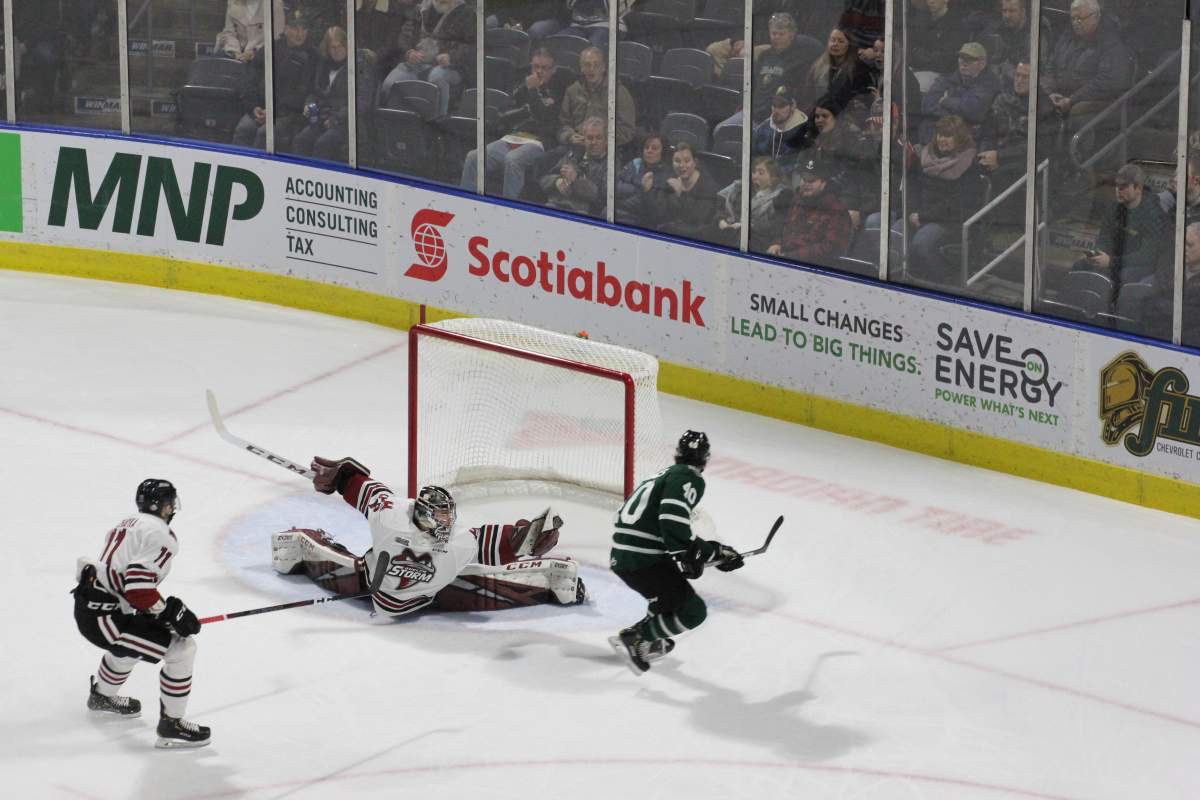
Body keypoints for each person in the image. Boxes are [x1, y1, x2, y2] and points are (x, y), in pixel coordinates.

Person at [272, 457, 586, 615]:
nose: (447, 523)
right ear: (422, 515)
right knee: (476, 583)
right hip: (393, 588)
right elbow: (499, 545)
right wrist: (521, 542)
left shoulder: (398, 517)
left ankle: (303, 545)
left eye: (449, 516)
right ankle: (305, 543)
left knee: (474, 580)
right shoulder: (394, 514)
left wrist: (525, 539)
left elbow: (354, 484)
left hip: (388, 590)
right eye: (441, 517)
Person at [71, 480, 210, 748]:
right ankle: (172, 725)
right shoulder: (162, 534)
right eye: (171, 503)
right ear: (165, 506)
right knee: (182, 649)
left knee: (134, 643)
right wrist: (164, 613)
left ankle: (102, 696)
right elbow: (137, 585)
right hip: (108, 620)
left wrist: (159, 613)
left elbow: (126, 581)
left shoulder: (126, 523)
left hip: (95, 609)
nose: (172, 508)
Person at [608, 431, 744, 675]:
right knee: (693, 612)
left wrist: (713, 552)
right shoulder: (687, 477)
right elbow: (671, 519)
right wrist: (692, 552)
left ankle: (647, 637)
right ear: (705, 458)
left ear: (678, 453)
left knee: (667, 601)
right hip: (643, 559)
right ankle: (639, 637)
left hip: (625, 556)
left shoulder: (663, 474)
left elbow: (665, 526)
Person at [460, 48, 572, 199]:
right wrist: (525, 94)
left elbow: (545, 119)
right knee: (473, 157)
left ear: (554, 69)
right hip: (514, 137)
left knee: (513, 159)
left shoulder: (561, 90)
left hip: (539, 142)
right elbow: (505, 113)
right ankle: (467, 202)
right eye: (536, 67)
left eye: (544, 68)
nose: (539, 71)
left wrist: (533, 92)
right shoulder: (523, 85)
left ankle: (510, 210)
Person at [1073, 162, 1172, 304]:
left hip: (1143, 267)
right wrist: (1098, 254)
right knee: (1079, 266)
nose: (1118, 190)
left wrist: (1112, 261)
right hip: (1115, 260)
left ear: (1138, 188)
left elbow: (1147, 256)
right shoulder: (1114, 208)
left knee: (1121, 276)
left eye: (1124, 187)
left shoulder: (1154, 214)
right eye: (1116, 186)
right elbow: (1104, 238)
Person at [233, 10, 318, 150]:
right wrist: (253, 106)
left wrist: (273, 111)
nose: (300, 33)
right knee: (244, 128)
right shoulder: (271, 48)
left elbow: (303, 93)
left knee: (264, 134)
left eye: (304, 29)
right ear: (286, 29)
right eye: (295, 28)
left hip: (288, 114)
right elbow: (251, 80)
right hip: (260, 110)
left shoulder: (312, 57)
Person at [379, 0, 475, 117]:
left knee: (437, 78)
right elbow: (404, 37)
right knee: (390, 84)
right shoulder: (420, 9)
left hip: (449, 66)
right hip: (415, 63)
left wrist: (451, 57)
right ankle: (395, 124)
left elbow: (473, 46)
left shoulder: (467, 13)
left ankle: (440, 123)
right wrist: (409, 52)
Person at [770, 157, 853, 266]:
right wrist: (777, 244)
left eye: (811, 180)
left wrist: (791, 256)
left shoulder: (837, 210)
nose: (806, 184)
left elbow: (830, 249)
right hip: (785, 259)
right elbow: (782, 227)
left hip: (815, 268)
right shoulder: (796, 200)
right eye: (804, 179)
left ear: (824, 183)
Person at [919, 41, 1001, 142]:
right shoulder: (946, 79)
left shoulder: (989, 84)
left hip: (965, 141)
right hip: (933, 137)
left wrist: (946, 101)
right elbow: (926, 105)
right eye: (961, 57)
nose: (964, 62)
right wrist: (959, 115)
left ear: (982, 64)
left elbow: (974, 111)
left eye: (970, 59)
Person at [292, 26, 350, 161]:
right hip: (322, 118)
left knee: (322, 144)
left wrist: (336, 119)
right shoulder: (323, 66)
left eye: (340, 46)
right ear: (327, 49)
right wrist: (309, 104)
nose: (337, 51)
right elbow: (314, 92)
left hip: (344, 121)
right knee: (300, 140)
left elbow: (360, 103)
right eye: (332, 48)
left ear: (347, 46)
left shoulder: (356, 67)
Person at [716, 156, 793, 252]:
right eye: (754, 172)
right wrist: (721, 219)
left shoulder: (781, 197)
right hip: (728, 229)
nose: (754, 176)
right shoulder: (739, 186)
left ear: (773, 178)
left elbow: (774, 227)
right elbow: (719, 200)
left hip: (756, 241)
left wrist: (743, 226)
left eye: (761, 173)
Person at [647, 143, 721, 241]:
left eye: (687, 161)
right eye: (677, 161)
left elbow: (698, 219)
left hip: (695, 238)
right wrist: (647, 191)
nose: (682, 165)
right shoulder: (669, 179)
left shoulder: (708, 185)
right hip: (667, 233)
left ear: (695, 162)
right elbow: (658, 213)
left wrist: (680, 193)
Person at [539, 117, 608, 216]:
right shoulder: (573, 155)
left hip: (581, 214)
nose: (594, 142)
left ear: (606, 140)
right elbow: (543, 180)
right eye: (589, 138)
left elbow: (602, 199)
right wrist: (556, 181)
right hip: (554, 206)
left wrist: (576, 179)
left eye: (598, 138)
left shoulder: (610, 164)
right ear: (583, 139)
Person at [616, 133, 673, 225]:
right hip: (622, 211)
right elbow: (616, 186)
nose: (649, 151)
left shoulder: (667, 175)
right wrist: (637, 189)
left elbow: (655, 211)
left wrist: (643, 192)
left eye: (654, 148)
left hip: (644, 222)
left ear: (663, 151)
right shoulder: (635, 163)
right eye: (646, 147)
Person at [751, 85, 809, 177]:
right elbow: (753, 155)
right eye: (774, 105)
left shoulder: (804, 133)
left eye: (781, 105)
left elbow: (799, 165)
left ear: (793, 105)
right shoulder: (763, 128)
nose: (776, 110)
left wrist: (773, 174)